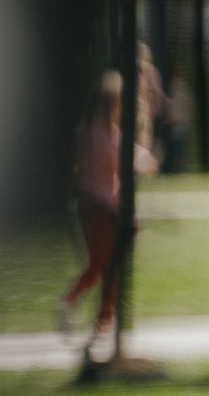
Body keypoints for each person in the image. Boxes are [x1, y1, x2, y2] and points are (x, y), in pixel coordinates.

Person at [57, 58, 162, 339]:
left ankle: (87, 310)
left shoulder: (86, 132)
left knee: (100, 266)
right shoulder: (107, 136)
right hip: (104, 209)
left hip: (91, 207)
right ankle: (101, 317)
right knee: (108, 267)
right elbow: (138, 162)